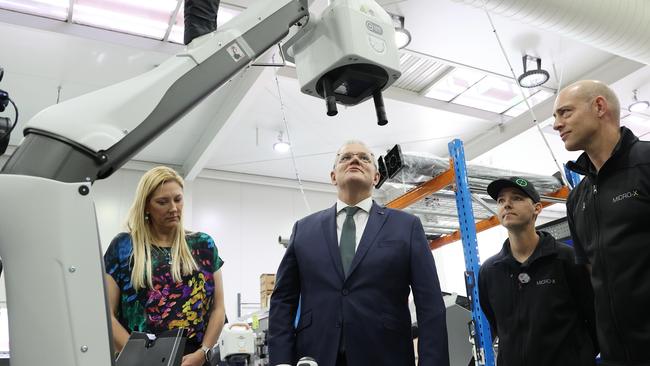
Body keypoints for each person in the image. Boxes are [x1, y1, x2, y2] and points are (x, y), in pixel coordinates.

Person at [268, 140, 449, 366]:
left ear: (376, 177)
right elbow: (283, 301)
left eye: (365, 158)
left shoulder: (406, 227)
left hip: (386, 356)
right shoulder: (304, 230)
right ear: (333, 176)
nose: (355, 160)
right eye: (345, 157)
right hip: (316, 356)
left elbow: (430, 304)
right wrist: (281, 361)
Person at [553, 80, 650, 365]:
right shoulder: (577, 198)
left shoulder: (646, 164)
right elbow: (592, 273)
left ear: (599, 106)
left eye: (565, 112)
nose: (557, 124)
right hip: (616, 355)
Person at [104, 166, 225, 366]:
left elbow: (218, 308)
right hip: (137, 358)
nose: (173, 208)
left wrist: (203, 352)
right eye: (162, 202)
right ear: (146, 206)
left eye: (178, 199)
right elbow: (105, 313)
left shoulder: (203, 245)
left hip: (193, 359)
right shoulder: (124, 247)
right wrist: (138, 358)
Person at [478, 177, 598, 366]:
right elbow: (498, 326)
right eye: (501, 200)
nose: (507, 204)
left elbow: (594, 317)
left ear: (537, 208)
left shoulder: (566, 258)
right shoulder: (489, 271)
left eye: (516, 198)